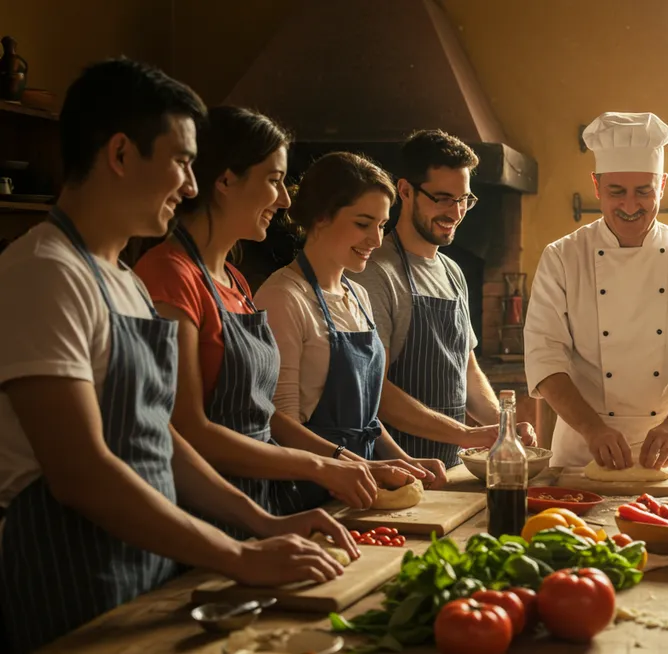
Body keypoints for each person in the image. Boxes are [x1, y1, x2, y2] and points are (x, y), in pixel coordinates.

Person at [0, 59, 352, 654]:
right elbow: (81, 473)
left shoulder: (125, 281)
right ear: (119, 153)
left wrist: (264, 525)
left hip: (149, 564)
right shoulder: (43, 274)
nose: (192, 186)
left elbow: (160, 436)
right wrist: (239, 554)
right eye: (183, 162)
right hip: (70, 573)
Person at [134, 107, 421, 534]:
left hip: (261, 497)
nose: (287, 200)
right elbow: (188, 430)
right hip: (206, 509)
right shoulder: (168, 276)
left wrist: (353, 463)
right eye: (274, 180)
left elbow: (261, 416)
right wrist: (325, 466)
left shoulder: (234, 280)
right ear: (226, 180)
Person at [524, 112, 668, 470]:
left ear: (663, 184)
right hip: (582, 449)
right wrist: (593, 429)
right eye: (616, 192)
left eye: (644, 191)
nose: (630, 205)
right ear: (596, 186)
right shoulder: (562, 257)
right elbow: (544, 357)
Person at [256, 152, 447, 512]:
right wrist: (357, 465)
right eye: (363, 223)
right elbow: (279, 423)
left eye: (381, 225)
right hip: (309, 493)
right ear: (321, 216)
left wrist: (405, 460)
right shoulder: (283, 297)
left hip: (364, 485)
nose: (376, 240)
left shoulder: (357, 294)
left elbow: (366, 420)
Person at [350, 130, 535, 469]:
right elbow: (376, 392)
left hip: (450, 467)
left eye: (464, 199)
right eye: (443, 198)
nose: (456, 212)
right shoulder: (375, 272)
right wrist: (466, 434)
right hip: (398, 467)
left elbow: (467, 370)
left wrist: (504, 428)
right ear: (405, 191)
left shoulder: (452, 273)